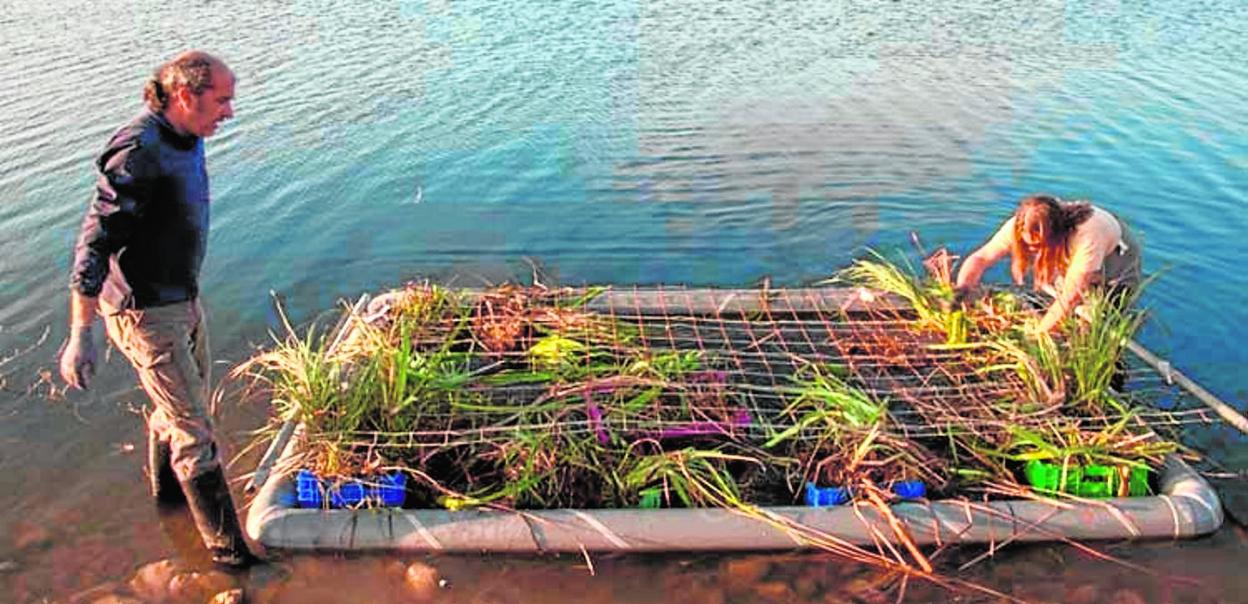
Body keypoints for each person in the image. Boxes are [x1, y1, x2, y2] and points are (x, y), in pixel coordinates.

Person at [58, 50, 259, 570]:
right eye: (222, 100)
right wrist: (82, 332)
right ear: (186, 96)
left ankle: (168, 510)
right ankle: (230, 557)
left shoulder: (187, 137)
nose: (230, 111)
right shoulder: (138, 150)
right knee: (196, 432)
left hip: (182, 299)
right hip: (145, 312)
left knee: (179, 412)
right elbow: (93, 245)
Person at [954, 194, 1141, 335]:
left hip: (1115, 261)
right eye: (1028, 244)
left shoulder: (1087, 237)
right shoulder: (1022, 225)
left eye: (1038, 245)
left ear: (1056, 235)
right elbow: (981, 258)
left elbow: (1069, 298)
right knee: (1063, 307)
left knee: (1095, 321)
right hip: (1071, 251)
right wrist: (961, 291)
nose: (1032, 250)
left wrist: (1036, 337)